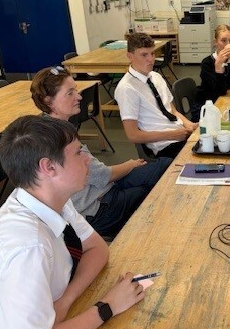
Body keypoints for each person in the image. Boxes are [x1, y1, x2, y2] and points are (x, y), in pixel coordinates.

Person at [0, 116, 146, 329]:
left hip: (48, 326)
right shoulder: (28, 246)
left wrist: (64, 302)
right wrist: (106, 307)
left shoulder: (47, 198)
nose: (88, 159)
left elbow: (98, 249)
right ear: (48, 167)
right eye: (79, 152)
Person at [31, 67, 171, 239]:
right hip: (98, 209)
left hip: (102, 190)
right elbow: (103, 175)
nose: (79, 97)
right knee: (152, 189)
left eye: (76, 90)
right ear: (49, 102)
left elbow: (97, 174)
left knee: (162, 167)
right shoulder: (57, 138)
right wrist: (130, 164)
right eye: (70, 93)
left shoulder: (57, 127)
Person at [114, 32, 198, 159]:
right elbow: (132, 135)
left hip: (180, 133)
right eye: (144, 55)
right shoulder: (127, 88)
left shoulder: (156, 76)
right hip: (165, 145)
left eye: (152, 53)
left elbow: (172, 110)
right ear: (130, 56)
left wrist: (189, 124)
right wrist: (172, 135)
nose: (151, 59)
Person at [192, 24, 230, 121]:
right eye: (223, 40)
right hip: (206, 106)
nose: (228, 44)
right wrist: (218, 67)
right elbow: (220, 92)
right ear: (215, 42)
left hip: (224, 100)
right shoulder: (207, 63)